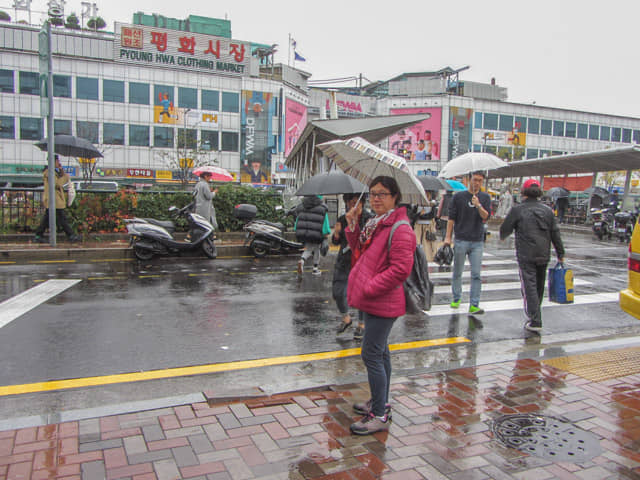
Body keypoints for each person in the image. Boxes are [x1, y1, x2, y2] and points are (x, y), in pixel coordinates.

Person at [344, 176, 416, 435]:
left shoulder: (400, 228)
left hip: (381, 299)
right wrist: (352, 226)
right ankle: (379, 402)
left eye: (383, 194)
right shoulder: (377, 223)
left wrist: (369, 287)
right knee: (380, 351)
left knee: (371, 353)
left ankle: (379, 415)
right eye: (373, 193)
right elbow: (358, 253)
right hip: (372, 298)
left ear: (395, 197)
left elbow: (401, 270)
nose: (376, 198)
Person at [499, 178, 565, 332]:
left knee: (529, 286)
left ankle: (535, 320)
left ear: (524, 192)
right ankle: (535, 315)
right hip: (543, 253)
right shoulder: (548, 211)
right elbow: (555, 233)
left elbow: (505, 229)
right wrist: (560, 253)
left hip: (526, 254)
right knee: (539, 286)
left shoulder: (518, 210)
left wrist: (503, 236)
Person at [444, 171, 491, 314]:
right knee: (458, 271)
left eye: (480, 181)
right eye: (475, 180)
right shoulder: (459, 197)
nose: (477, 183)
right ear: (469, 180)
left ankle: (474, 303)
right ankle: (456, 297)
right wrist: (448, 237)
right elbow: (451, 218)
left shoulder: (485, 197)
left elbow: (485, 216)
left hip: (477, 240)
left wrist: (478, 205)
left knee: (476, 274)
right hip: (461, 239)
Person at [333, 193, 372, 340]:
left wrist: (354, 226)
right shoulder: (342, 219)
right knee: (337, 291)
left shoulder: (369, 219)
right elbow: (336, 242)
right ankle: (346, 318)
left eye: (357, 202)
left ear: (362, 203)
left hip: (362, 261)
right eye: (351, 203)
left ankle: (361, 324)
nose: (354, 206)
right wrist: (336, 234)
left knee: (362, 293)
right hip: (344, 260)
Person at [34, 155, 80, 243]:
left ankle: (38, 235)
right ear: (53, 162)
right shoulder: (49, 173)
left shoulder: (53, 172)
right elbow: (57, 183)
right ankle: (71, 235)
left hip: (55, 199)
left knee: (48, 219)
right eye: (57, 161)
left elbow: (60, 178)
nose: (58, 162)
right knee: (62, 218)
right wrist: (66, 177)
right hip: (54, 199)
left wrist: (62, 170)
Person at [295, 195, 330, 276]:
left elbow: (298, 219)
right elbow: (325, 221)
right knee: (313, 248)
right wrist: (326, 231)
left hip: (305, 232)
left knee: (312, 248)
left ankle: (309, 265)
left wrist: (296, 230)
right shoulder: (322, 207)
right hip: (317, 233)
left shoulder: (302, 205)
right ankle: (312, 267)